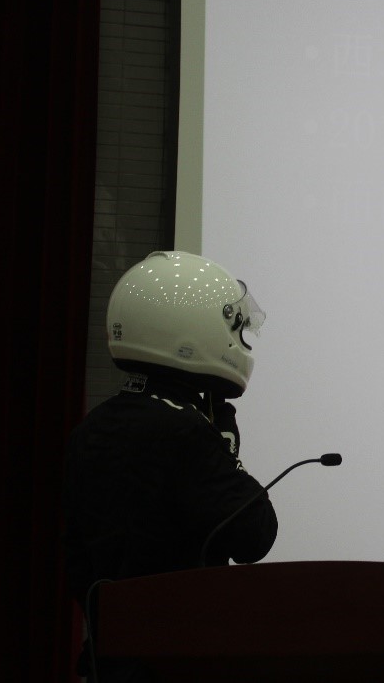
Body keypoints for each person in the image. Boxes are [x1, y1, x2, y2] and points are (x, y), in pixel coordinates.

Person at [63, 250, 278, 681]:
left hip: (108, 661)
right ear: (193, 330)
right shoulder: (183, 430)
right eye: (233, 327)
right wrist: (225, 447)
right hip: (174, 661)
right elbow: (254, 536)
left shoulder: (92, 427)